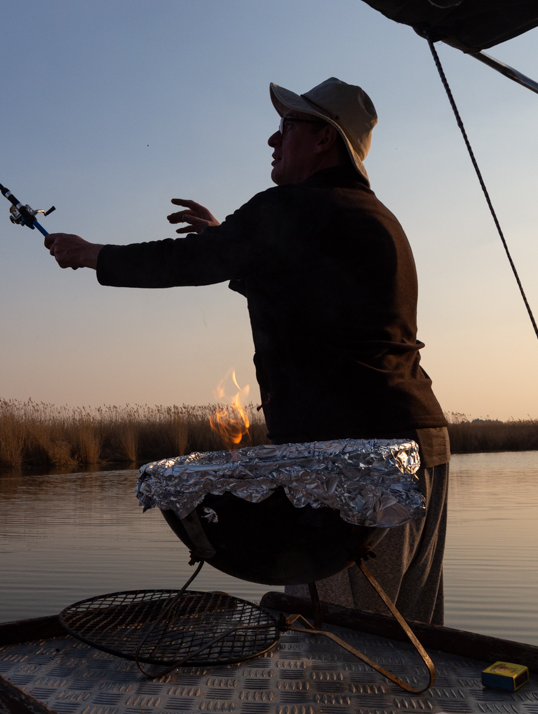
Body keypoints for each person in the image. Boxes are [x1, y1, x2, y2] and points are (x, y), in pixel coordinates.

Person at [44, 78, 450, 625]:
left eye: (286, 127)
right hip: (424, 446)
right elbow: (309, 293)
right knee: (413, 639)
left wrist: (95, 255)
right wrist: (234, 245)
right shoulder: (377, 219)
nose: (271, 140)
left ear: (323, 139)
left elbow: (188, 262)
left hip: (350, 463)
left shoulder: (288, 209)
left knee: (334, 648)